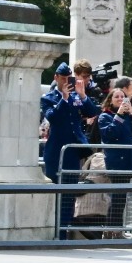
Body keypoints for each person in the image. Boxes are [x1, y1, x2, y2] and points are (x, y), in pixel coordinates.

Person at [40, 62, 98, 236]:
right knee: (56, 194)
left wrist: (82, 95)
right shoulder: (49, 98)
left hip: (72, 152)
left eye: (68, 78)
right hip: (56, 152)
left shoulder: (76, 97)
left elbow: (92, 111)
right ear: (56, 78)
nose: (66, 81)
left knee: (68, 196)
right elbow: (52, 117)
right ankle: (54, 233)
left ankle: (63, 234)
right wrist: (64, 99)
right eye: (63, 78)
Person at [96, 85, 132, 231]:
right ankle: (113, 230)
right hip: (116, 162)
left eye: (122, 96)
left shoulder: (127, 116)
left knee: (121, 200)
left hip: (128, 161)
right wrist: (118, 115)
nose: (120, 99)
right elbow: (109, 133)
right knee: (118, 199)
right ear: (110, 100)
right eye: (116, 97)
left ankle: (114, 230)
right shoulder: (105, 116)